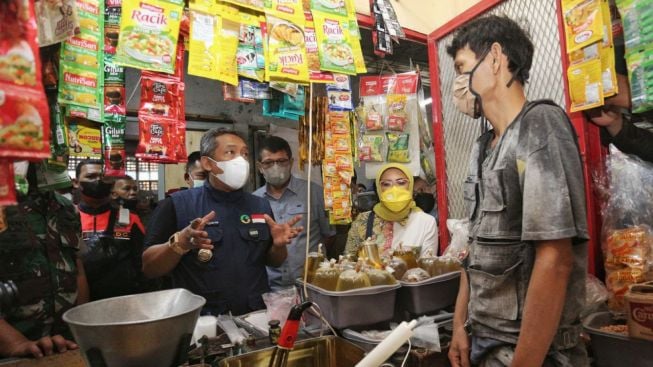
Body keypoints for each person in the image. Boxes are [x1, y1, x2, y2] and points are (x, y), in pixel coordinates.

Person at [446, 15, 589, 367]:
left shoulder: (539, 126)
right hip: (485, 340)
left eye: (463, 68)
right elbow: (474, 250)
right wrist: (460, 325)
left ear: (495, 59)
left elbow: (555, 260)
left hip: (533, 353)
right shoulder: (483, 147)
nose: (459, 84)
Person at [142, 129, 303, 316]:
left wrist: (278, 246)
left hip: (254, 315)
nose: (241, 160)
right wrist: (180, 243)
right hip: (204, 319)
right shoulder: (177, 204)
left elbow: (272, 261)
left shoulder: (259, 205)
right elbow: (149, 268)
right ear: (207, 163)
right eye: (230, 152)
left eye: (244, 154)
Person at [0, 162, 88, 359]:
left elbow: (76, 268)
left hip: (66, 345)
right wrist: (17, 343)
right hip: (14, 352)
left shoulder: (66, 208)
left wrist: (81, 326)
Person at [253, 136, 335, 291]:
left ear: (291, 163)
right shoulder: (253, 201)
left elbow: (329, 235)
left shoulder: (313, 192)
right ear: (259, 166)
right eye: (269, 162)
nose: (276, 167)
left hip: (312, 283)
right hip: (272, 287)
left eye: (281, 161)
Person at [74, 159, 149, 301]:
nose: (98, 181)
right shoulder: (68, 218)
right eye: (90, 177)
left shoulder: (128, 217)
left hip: (124, 301)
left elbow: (142, 262)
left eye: (103, 177)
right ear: (76, 182)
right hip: (81, 302)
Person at [344, 163, 438, 259]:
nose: (394, 189)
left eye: (401, 183)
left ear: (410, 187)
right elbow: (348, 263)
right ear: (379, 189)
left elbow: (428, 266)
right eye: (386, 184)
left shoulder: (426, 222)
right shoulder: (362, 221)